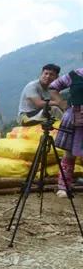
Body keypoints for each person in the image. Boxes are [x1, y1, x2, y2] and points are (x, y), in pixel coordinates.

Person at [50, 67, 83, 198]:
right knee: (69, 153)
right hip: (74, 118)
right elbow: (53, 87)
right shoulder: (75, 75)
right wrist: (62, 103)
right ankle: (64, 186)